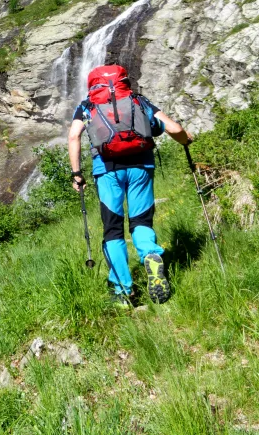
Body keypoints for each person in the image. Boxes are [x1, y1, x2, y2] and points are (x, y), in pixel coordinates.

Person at [67, 65, 193, 306]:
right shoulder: (137, 99)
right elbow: (174, 129)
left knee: (113, 229)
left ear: (92, 86)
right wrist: (186, 141)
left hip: (107, 171)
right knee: (141, 221)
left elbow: (74, 136)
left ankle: (122, 290)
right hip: (141, 167)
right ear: (123, 81)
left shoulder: (87, 105)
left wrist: (76, 174)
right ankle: (151, 255)